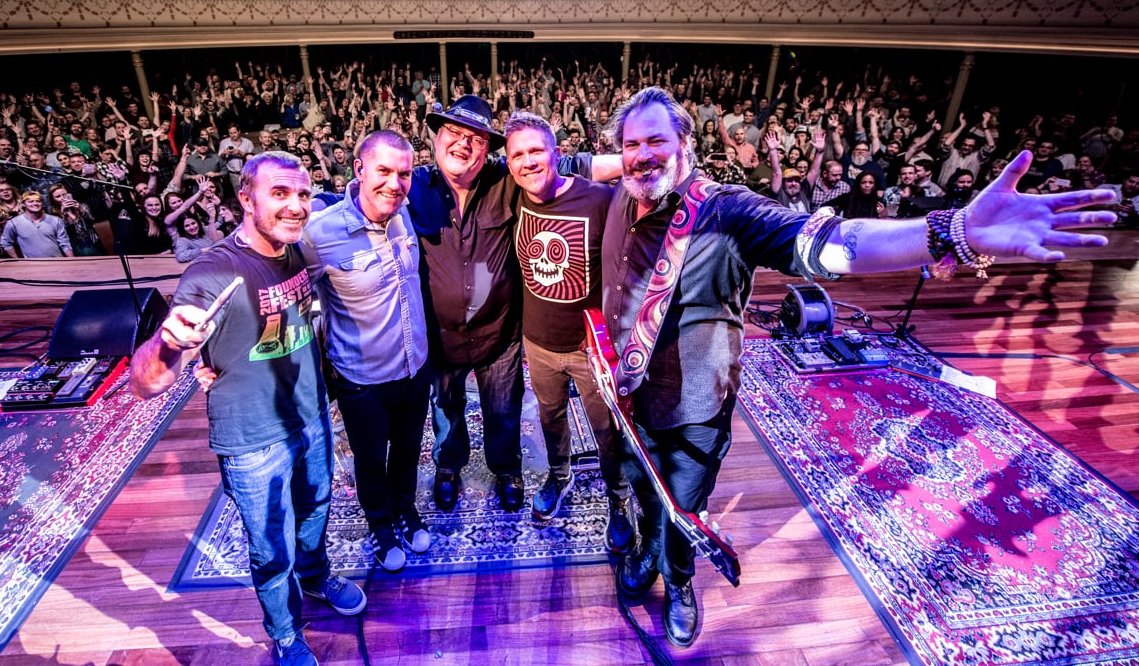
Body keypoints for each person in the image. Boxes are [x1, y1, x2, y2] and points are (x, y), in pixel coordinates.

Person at [603, 87, 1117, 648]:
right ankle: (645, 550)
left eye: (656, 141)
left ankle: (678, 580)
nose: (642, 155)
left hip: (695, 403)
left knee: (685, 506)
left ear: (685, 144)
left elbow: (829, 243)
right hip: (629, 396)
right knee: (642, 486)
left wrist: (949, 231)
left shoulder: (728, 210)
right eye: (631, 144)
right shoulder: (619, 199)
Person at [130, 152, 366, 666]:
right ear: (245, 199)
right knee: (270, 547)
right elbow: (145, 384)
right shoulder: (214, 271)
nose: (295, 206)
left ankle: (316, 576)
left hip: (310, 415)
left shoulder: (298, 250)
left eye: (302, 195)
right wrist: (170, 343)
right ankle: (285, 633)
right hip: (252, 438)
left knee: (315, 509)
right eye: (279, 193)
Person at [407, 95, 617, 514]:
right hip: (441, 335)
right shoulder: (412, 186)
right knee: (446, 409)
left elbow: (568, 165)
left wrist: (640, 160)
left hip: (498, 333)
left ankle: (507, 470)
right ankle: (449, 466)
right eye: (453, 132)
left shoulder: (506, 179)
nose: (463, 143)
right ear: (436, 137)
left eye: (475, 138)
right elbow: (360, 197)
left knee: (502, 411)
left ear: (487, 149)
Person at [502, 112, 633, 551]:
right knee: (549, 416)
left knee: (606, 428)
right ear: (508, 163)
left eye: (536, 151)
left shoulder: (598, 200)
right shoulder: (513, 196)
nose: (528, 162)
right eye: (517, 155)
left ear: (557, 153)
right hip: (538, 342)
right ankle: (560, 475)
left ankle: (619, 497)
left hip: (589, 346)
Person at [301, 131, 432, 573]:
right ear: (359, 170)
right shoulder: (319, 236)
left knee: (409, 449)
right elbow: (288, 296)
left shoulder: (403, 213)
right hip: (362, 379)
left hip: (414, 366)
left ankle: (405, 509)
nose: (395, 184)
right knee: (371, 458)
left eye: (404, 174)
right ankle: (380, 523)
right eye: (383, 171)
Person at [0, 191, 74, 258]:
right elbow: (6, 243)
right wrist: (18, 261)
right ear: (23, 204)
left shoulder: (55, 220)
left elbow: (65, 243)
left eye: (38, 201)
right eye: (30, 201)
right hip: (32, 265)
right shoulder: (14, 223)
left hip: (56, 262)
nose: (35, 204)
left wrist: (72, 261)